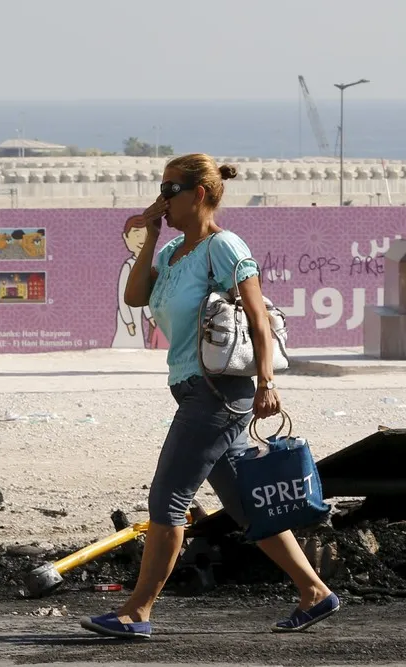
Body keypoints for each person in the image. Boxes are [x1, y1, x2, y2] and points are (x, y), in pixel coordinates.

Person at [81, 153, 339, 639]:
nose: (162, 197)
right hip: (194, 390)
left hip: (219, 394)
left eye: (171, 189)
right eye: (160, 187)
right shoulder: (172, 251)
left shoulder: (224, 246)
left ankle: (137, 612)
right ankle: (314, 592)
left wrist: (267, 382)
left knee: (168, 496)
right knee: (245, 505)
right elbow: (136, 297)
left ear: (198, 194)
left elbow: (258, 317)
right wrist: (152, 233)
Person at [111, 215, 156, 348]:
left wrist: (150, 317)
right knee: (125, 342)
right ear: (126, 237)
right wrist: (128, 322)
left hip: (137, 315)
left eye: (145, 234)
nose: (141, 239)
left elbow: (144, 297)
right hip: (127, 315)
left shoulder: (144, 265)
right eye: (136, 233)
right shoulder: (128, 266)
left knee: (138, 343)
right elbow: (121, 298)